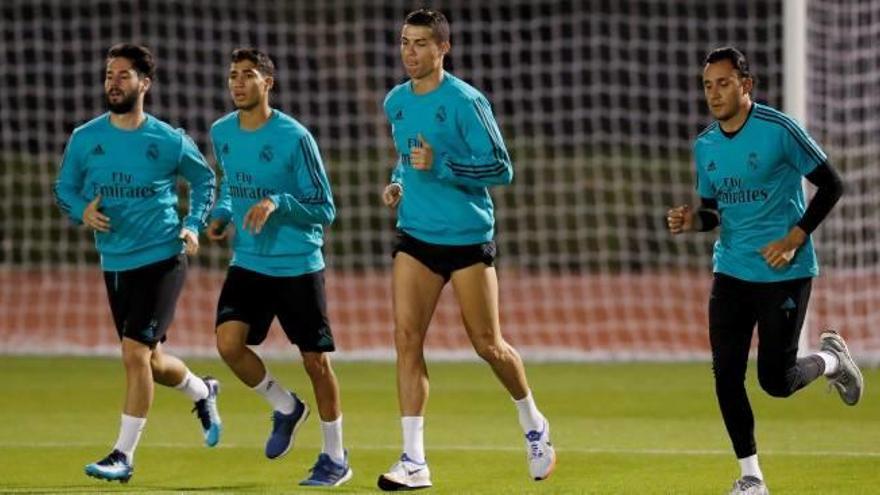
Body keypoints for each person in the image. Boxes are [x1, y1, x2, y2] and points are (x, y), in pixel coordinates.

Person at [667, 47, 863, 495]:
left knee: (775, 382)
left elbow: (833, 185)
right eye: (707, 85)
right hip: (731, 272)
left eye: (723, 83)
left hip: (785, 273)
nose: (714, 93)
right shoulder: (706, 145)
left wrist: (796, 236)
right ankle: (751, 478)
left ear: (745, 85)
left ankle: (831, 359)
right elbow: (715, 212)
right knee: (726, 375)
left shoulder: (779, 130)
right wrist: (694, 221)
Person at [376, 9, 555, 491]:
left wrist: (444, 164)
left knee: (488, 345)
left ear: (442, 49)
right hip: (415, 236)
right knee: (406, 338)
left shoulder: (466, 101)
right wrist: (398, 182)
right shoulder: (395, 101)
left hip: (467, 239)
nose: (409, 53)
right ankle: (414, 460)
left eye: (419, 44)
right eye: (404, 42)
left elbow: (501, 168)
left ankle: (534, 424)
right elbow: (406, 159)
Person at [53, 43, 221, 484]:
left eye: (123, 74)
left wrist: (193, 225)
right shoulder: (86, 138)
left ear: (144, 83)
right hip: (115, 262)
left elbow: (205, 179)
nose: (113, 81)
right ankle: (204, 390)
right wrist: (81, 212)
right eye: (110, 73)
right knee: (151, 360)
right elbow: (65, 188)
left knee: (133, 354)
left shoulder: (167, 140)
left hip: (164, 257)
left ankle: (122, 456)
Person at [207, 48, 351, 487]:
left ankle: (335, 458)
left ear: (267, 83)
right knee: (228, 345)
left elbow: (324, 208)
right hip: (249, 261)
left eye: (247, 75)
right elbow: (233, 184)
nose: (237, 83)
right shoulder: (222, 132)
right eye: (233, 75)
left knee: (315, 362)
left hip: (296, 264)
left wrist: (277, 202)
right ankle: (286, 406)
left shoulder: (295, 137)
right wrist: (223, 212)